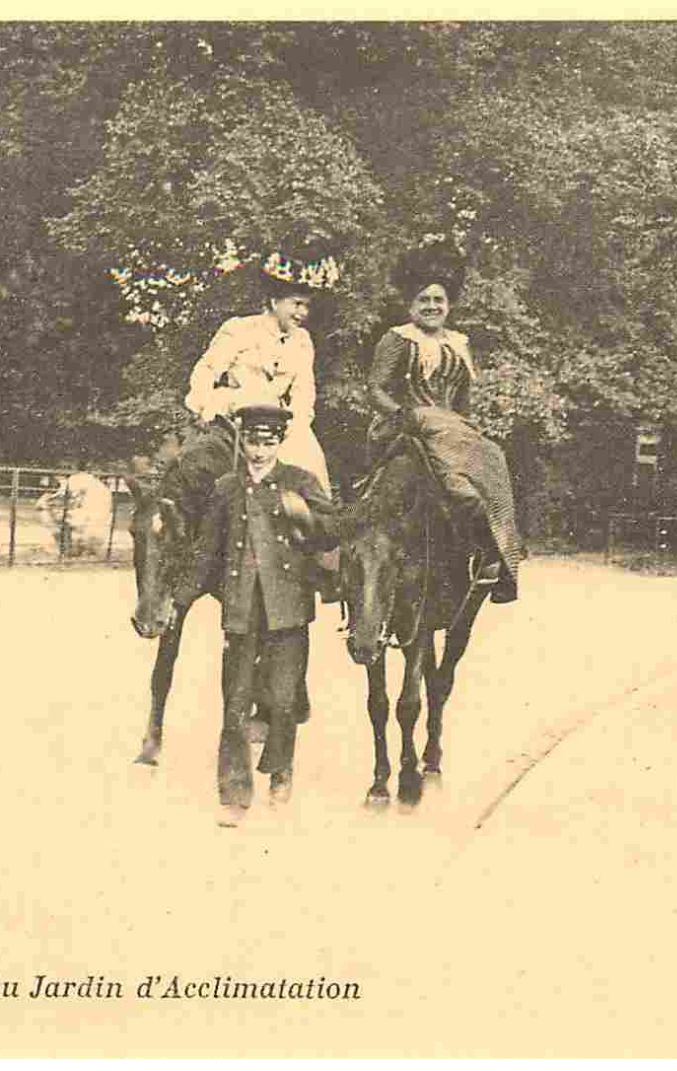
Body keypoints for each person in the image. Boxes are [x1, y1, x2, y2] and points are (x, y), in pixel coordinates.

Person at [173, 397, 340, 827]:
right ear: (243, 442)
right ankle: (234, 795)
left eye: (267, 442)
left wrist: (303, 515)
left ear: (280, 442)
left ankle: (280, 770)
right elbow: (206, 551)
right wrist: (179, 600)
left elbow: (333, 532)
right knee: (234, 705)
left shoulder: (300, 481)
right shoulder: (227, 488)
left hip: (287, 611)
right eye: (251, 441)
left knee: (283, 703)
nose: (259, 450)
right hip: (242, 610)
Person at [367, 244, 522, 603]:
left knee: (494, 455)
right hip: (407, 424)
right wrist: (401, 415)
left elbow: (463, 398)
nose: (432, 306)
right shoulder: (398, 339)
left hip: (451, 428)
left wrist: (467, 430)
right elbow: (374, 388)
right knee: (454, 484)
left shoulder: (459, 343)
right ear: (411, 305)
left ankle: (499, 556)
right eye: (424, 300)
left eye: (439, 300)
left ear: (449, 305)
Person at [184, 252, 332, 494]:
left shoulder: (302, 340)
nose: (303, 313)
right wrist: (203, 406)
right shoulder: (239, 328)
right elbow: (208, 369)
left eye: (307, 306)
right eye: (296, 304)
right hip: (234, 413)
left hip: (279, 418)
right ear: (274, 302)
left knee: (310, 463)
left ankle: (316, 524)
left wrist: (298, 423)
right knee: (198, 467)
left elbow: (304, 390)